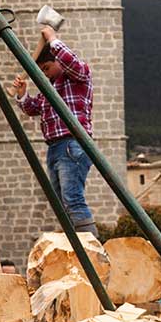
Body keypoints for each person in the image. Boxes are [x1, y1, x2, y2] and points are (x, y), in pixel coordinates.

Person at [12, 29, 97, 236]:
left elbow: (71, 61)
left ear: (59, 61)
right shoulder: (48, 89)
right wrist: (22, 96)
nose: (45, 73)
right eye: (42, 71)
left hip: (72, 143)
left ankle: (90, 244)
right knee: (61, 204)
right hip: (55, 148)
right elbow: (33, 108)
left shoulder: (78, 77)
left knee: (72, 198)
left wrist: (52, 39)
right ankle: (74, 241)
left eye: (47, 68)